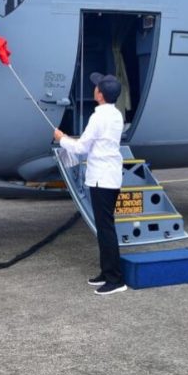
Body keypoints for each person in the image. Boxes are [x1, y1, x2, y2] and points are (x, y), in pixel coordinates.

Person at [54, 72, 126, 296]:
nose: (94, 89)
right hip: (109, 176)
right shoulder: (115, 115)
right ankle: (106, 272)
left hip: (102, 178)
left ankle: (115, 279)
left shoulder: (98, 118)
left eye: (96, 87)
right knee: (104, 227)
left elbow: (81, 148)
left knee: (105, 229)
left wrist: (61, 138)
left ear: (101, 94)